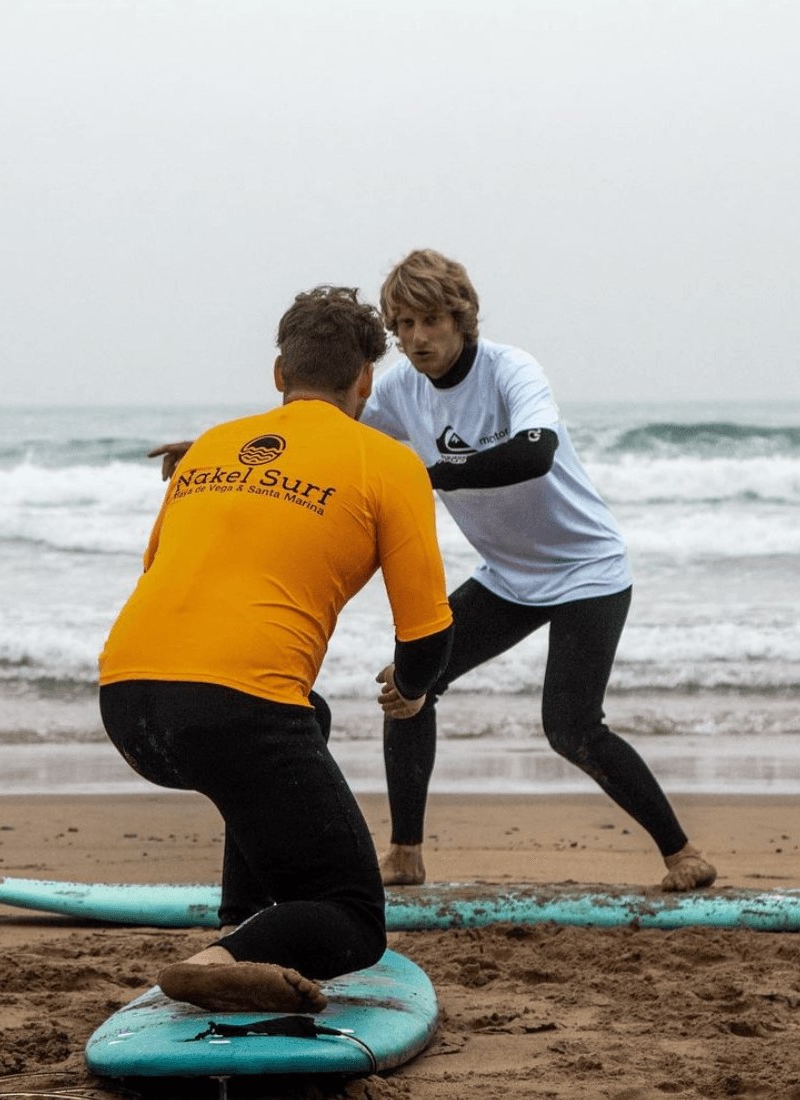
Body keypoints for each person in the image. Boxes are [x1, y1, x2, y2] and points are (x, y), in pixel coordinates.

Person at [101, 285, 453, 1013]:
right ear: (365, 381)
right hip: (234, 719)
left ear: (277, 375)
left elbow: (158, 574)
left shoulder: (207, 451)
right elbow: (426, 631)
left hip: (127, 706)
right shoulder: (388, 463)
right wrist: (413, 690)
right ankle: (215, 961)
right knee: (354, 919)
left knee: (307, 712)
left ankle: (239, 919)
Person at [360, 249, 716, 893]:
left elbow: (536, 452)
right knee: (407, 687)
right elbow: (328, 433)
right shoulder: (398, 389)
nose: (417, 339)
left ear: (462, 317)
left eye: (431, 320)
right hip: (508, 574)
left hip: (588, 570)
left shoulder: (509, 369)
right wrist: (228, 443)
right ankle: (405, 854)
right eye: (404, 325)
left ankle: (682, 853)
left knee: (570, 726)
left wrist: (429, 473)